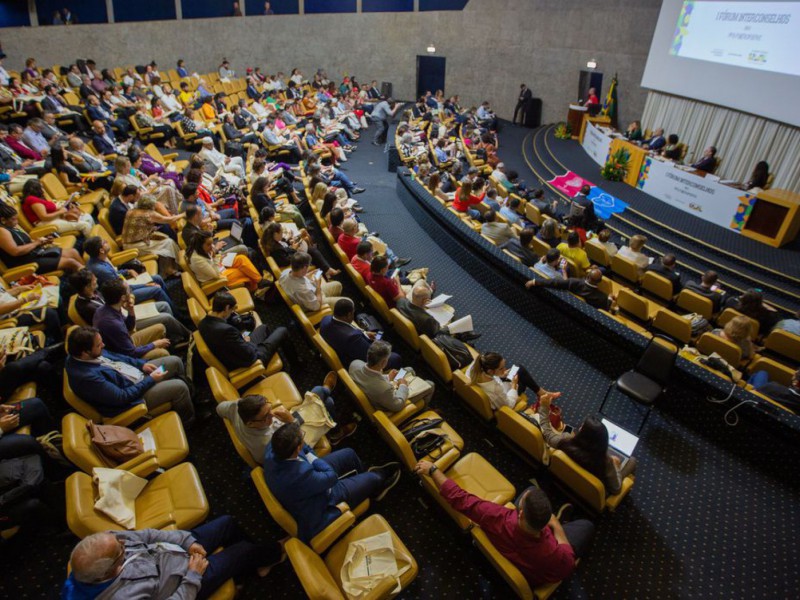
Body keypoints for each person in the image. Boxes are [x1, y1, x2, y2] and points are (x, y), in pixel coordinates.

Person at [416, 459, 592, 586]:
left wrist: (432, 470)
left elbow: (459, 498)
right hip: (536, 568)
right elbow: (568, 562)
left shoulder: (495, 517)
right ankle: (564, 521)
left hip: (511, 547)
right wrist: (557, 527)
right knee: (586, 525)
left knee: (530, 490)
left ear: (520, 513)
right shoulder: (556, 556)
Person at [62, 516, 283, 600]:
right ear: (108, 571)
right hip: (185, 579)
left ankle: (248, 567)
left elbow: (149, 535)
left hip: (176, 548)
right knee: (243, 551)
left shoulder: (109, 541)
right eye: (121, 550)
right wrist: (194, 575)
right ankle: (273, 555)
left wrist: (188, 542)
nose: (124, 543)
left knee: (227, 523)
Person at [263, 422, 401, 541]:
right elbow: (331, 476)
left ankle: (362, 482)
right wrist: (313, 459)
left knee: (349, 453)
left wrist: (309, 455)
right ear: (297, 448)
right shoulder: (301, 476)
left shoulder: (272, 448)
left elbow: (305, 449)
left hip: (310, 476)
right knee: (374, 478)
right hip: (323, 497)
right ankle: (376, 487)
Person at [65, 326, 195, 423]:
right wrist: (151, 380)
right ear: (85, 353)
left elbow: (119, 357)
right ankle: (188, 420)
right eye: (99, 345)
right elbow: (122, 397)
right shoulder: (87, 379)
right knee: (179, 387)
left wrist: (141, 364)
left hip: (138, 375)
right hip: (134, 396)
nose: (103, 346)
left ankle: (190, 397)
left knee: (176, 361)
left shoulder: (89, 352)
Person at [538, 394, 636, 494]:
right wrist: (616, 466)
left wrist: (544, 407)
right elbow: (616, 489)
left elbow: (547, 433)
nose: (580, 428)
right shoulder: (605, 462)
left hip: (567, 481)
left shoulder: (565, 442)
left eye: (582, 427)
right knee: (632, 461)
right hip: (593, 492)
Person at [70, 268, 189, 346]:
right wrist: (130, 310)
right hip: (123, 324)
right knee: (166, 318)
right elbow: (123, 325)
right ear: (86, 287)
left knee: (164, 305)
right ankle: (188, 336)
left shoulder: (94, 293)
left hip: (123, 313)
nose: (96, 280)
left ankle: (175, 334)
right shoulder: (90, 308)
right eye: (93, 280)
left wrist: (130, 309)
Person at [84, 235, 176, 309]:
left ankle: (172, 304)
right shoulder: (101, 270)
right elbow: (123, 288)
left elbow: (115, 273)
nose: (107, 242)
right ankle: (177, 315)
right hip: (122, 296)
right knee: (157, 290)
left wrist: (127, 271)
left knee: (157, 278)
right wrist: (145, 285)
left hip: (122, 284)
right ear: (101, 250)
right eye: (104, 242)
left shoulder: (96, 259)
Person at [93, 278, 171, 360]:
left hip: (126, 343)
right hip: (124, 357)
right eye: (128, 290)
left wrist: (131, 310)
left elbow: (129, 327)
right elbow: (132, 353)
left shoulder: (107, 308)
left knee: (160, 328)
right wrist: (154, 344)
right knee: (163, 353)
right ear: (123, 298)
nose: (130, 292)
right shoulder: (113, 323)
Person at [349, 340, 434, 413]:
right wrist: (403, 385)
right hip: (385, 405)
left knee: (409, 369)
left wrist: (388, 377)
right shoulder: (385, 389)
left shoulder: (355, 363)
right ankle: (421, 410)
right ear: (383, 363)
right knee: (430, 384)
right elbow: (398, 406)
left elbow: (369, 376)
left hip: (373, 390)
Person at [0, 202, 84, 273]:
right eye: (14, 219)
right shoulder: (2, 231)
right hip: (25, 262)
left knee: (73, 252)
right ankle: (89, 281)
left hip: (35, 253)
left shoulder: (11, 228)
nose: (17, 222)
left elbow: (25, 242)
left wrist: (42, 241)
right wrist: (36, 243)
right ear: (3, 220)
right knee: (70, 262)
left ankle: (90, 275)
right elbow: (15, 251)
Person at [320, 298, 402, 370]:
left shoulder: (325, 319)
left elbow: (347, 328)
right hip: (354, 361)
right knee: (396, 357)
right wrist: (377, 343)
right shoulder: (353, 338)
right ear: (349, 315)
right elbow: (370, 357)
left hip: (343, 346)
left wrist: (364, 333)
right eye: (353, 312)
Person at [467, 351, 559, 410]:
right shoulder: (495, 389)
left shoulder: (476, 366)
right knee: (521, 379)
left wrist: (500, 375)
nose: (505, 369)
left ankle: (542, 393)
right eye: (501, 368)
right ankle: (542, 394)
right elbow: (508, 405)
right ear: (490, 371)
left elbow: (491, 378)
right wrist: (514, 386)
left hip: (497, 382)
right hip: (503, 395)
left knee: (518, 368)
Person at [121, 195, 183, 277]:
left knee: (164, 238)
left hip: (126, 244)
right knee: (169, 242)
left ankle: (167, 268)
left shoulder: (130, 211)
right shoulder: (149, 214)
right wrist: (183, 215)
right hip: (136, 246)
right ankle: (174, 267)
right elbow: (169, 220)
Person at [187, 230, 267, 293]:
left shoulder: (199, 249)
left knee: (241, 258)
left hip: (217, 267)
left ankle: (260, 281)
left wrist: (218, 258)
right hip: (215, 279)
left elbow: (210, 260)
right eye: (209, 245)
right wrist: (216, 258)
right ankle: (255, 288)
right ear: (200, 245)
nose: (212, 247)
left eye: (212, 244)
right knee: (244, 271)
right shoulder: (197, 260)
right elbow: (216, 275)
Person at [278, 252, 347, 312]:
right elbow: (317, 306)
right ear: (304, 268)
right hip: (315, 301)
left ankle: (335, 306)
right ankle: (336, 309)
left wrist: (307, 275)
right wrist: (318, 286)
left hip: (311, 292)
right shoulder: (302, 290)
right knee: (346, 302)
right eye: (308, 266)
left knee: (338, 285)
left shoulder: (285, 272)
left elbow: (298, 278)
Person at [527, 267, 616, 311]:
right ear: (599, 281)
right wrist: (610, 298)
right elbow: (608, 308)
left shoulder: (573, 282)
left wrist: (535, 281)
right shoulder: (602, 297)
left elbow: (554, 283)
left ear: (587, 276)